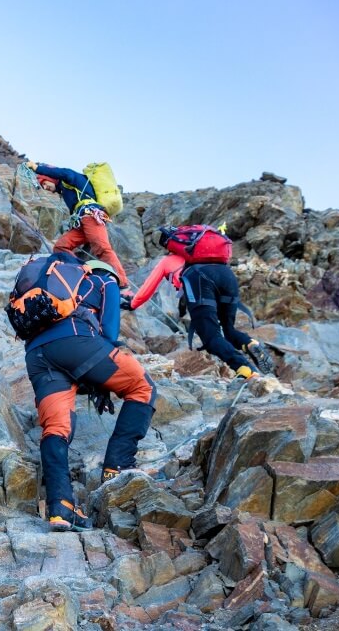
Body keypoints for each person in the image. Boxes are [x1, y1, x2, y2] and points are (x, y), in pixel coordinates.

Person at [22, 254, 156, 531]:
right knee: (142, 387)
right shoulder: (104, 281)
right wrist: (101, 382)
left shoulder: (54, 287)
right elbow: (108, 332)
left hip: (36, 355)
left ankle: (61, 509)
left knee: (56, 429)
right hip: (76, 342)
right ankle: (118, 467)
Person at [121, 228, 275, 380]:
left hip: (200, 280)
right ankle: (249, 343)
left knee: (211, 337)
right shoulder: (209, 256)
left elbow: (148, 288)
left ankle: (245, 369)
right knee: (229, 330)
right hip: (226, 275)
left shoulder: (167, 261)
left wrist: (132, 304)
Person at [26, 161, 130, 288]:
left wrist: (37, 168)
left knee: (102, 248)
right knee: (60, 247)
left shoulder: (68, 179)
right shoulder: (65, 189)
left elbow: (63, 172)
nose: (45, 188)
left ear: (50, 177)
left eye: (44, 183)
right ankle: (83, 272)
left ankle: (122, 282)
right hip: (82, 222)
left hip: (90, 216)